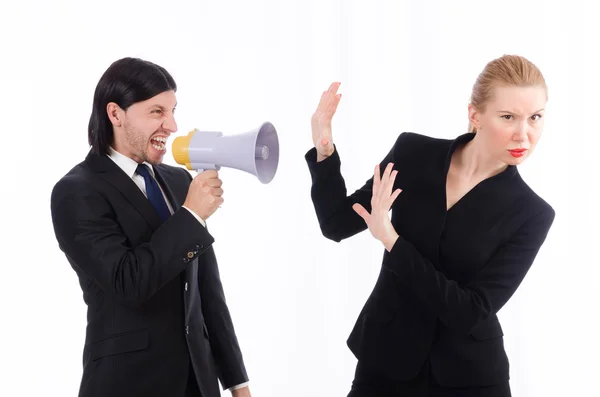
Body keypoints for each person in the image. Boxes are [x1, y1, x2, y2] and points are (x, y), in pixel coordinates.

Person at [305, 54, 555, 396]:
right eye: (508, 117)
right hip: (385, 359)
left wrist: (393, 242)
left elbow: (471, 311)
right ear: (475, 114)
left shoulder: (532, 213)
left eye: (535, 118)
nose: (523, 134)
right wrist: (324, 150)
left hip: (469, 377)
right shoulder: (413, 155)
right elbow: (337, 223)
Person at [50, 57, 251, 397]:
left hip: (197, 384)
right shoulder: (77, 191)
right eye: (157, 112)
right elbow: (128, 282)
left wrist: (237, 383)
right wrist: (191, 215)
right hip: (128, 383)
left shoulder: (176, 180)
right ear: (115, 114)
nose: (171, 125)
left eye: (173, 111)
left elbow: (207, 293)